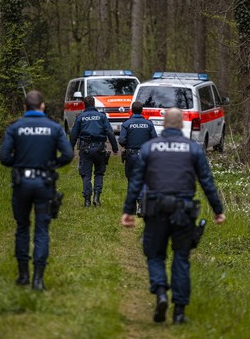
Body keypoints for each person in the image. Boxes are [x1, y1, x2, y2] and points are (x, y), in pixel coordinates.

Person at [121, 108, 226, 324]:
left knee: (156, 255)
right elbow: (206, 181)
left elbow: (136, 182)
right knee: (181, 258)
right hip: (183, 212)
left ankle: (160, 292)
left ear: (164, 125)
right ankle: (179, 312)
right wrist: (217, 210)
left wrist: (128, 210)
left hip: (156, 210)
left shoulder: (149, 148)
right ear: (180, 125)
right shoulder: (193, 149)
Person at [0, 90, 73, 291]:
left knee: (22, 227)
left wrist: (20, 164)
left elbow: (4, 156)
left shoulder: (15, 128)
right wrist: (51, 165)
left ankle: (23, 275)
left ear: (24, 107)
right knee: (42, 230)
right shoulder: (54, 128)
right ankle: (38, 279)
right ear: (42, 106)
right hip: (44, 183)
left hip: (22, 183)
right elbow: (68, 154)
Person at [69, 95, 119, 207]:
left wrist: (70, 149)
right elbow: (110, 133)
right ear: (94, 104)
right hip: (100, 149)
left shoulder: (80, 117)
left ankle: (87, 200)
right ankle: (96, 198)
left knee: (86, 174)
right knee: (99, 173)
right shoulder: (102, 116)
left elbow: (73, 135)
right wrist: (115, 148)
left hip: (85, 149)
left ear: (84, 105)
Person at [118, 101, 157, 180]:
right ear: (142, 110)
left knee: (131, 179)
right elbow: (155, 139)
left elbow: (121, 140)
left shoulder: (127, 123)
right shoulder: (149, 124)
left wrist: (127, 145)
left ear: (132, 110)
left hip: (131, 155)